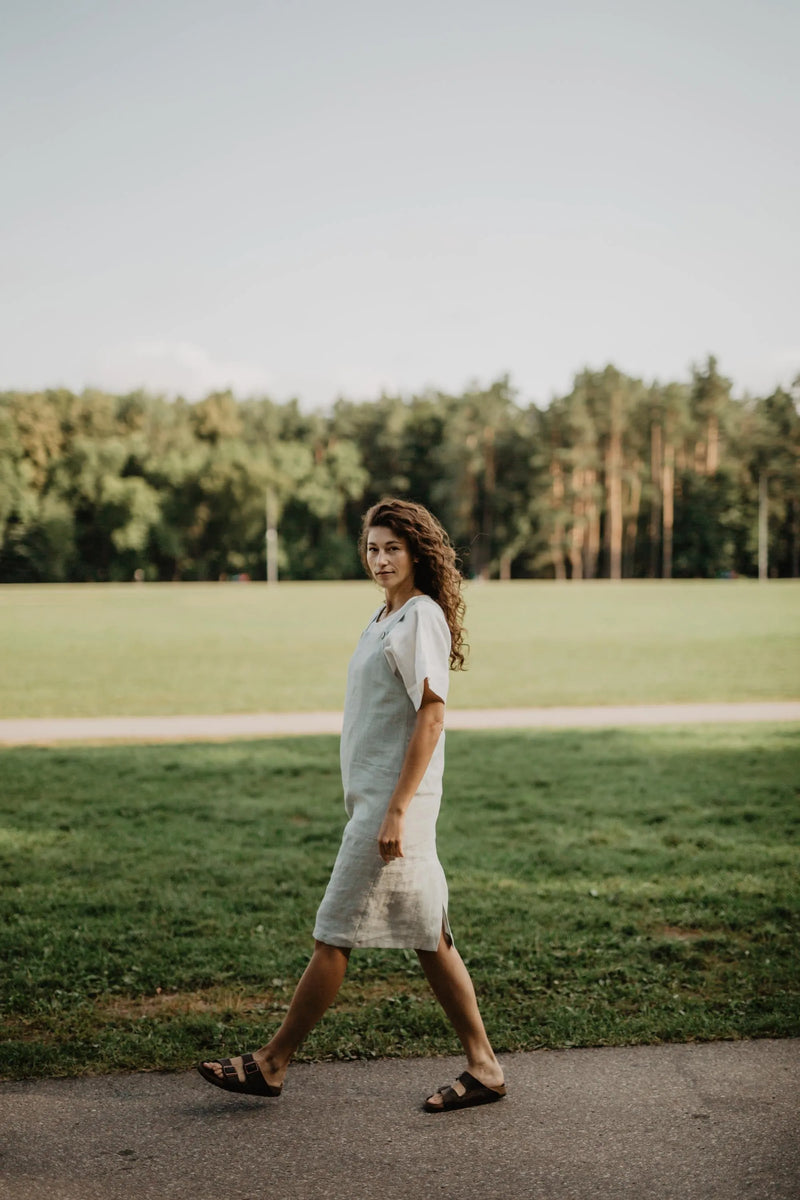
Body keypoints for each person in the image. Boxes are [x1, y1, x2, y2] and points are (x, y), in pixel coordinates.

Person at [198, 498, 505, 1112]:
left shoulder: (419, 616)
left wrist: (395, 810)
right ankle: (485, 1067)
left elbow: (433, 714)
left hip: (393, 811)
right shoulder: (385, 615)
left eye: (393, 547)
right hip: (380, 802)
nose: (380, 558)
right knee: (430, 936)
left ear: (416, 551)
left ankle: (272, 1062)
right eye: (372, 547)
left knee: (334, 933)